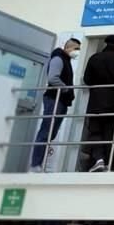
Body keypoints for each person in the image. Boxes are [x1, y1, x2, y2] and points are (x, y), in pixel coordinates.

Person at [82, 35, 114, 173]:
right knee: (109, 133)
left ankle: (99, 159)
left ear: (105, 43)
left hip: (97, 100)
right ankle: (106, 163)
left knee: (95, 131)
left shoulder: (95, 58)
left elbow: (87, 79)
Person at [29, 38, 81, 172]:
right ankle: (36, 164)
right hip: (54, 98)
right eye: (76, 49)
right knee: (46, 130)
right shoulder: (58, 58)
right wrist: (65, 89)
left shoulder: (65, 60)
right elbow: (52, 78)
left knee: (51, 132)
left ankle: (39, 163)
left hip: (61, 100)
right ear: (69, 47)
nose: (77, 52)